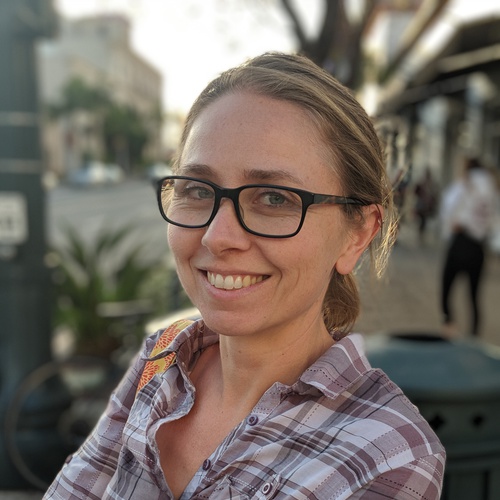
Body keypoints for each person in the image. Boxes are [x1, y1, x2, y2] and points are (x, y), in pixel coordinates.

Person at [44, 52, 445, 499]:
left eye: (274, 198)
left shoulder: (388, 455)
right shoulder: (160, 357)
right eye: (197, 190)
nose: (218, 237)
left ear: (357, 235)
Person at [440, 156, 498, 337]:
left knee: (446, 288)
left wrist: (451, 225)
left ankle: (450, 325)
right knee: (473, 295)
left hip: (460, 241)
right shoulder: (491, 186)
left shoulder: (467, 182)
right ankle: (474, 336)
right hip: (478, 248)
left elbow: (449, 204)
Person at [414, 167, 438, 243]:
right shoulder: (422, 183)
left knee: (424, 220)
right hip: (422, 205)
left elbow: (434, 194)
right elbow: (416, 191)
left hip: (426, 206)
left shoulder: (431, 184)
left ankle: (422, 233)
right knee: (421, 219)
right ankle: (420, 233)